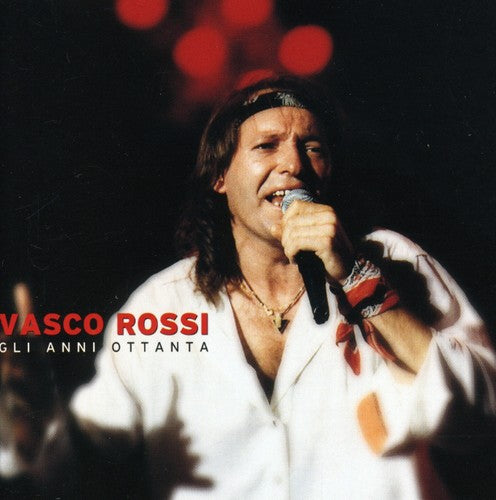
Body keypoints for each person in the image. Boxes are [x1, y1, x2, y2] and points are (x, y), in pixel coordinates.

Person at [1, 76, 496, 499]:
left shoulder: (392, 259)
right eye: (267, 145)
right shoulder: (162, 306)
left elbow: (479, 417)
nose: (294, 165)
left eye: (313, 147)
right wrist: (27, 421)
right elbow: (74, 463)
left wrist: (356, 278)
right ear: (220, 175)